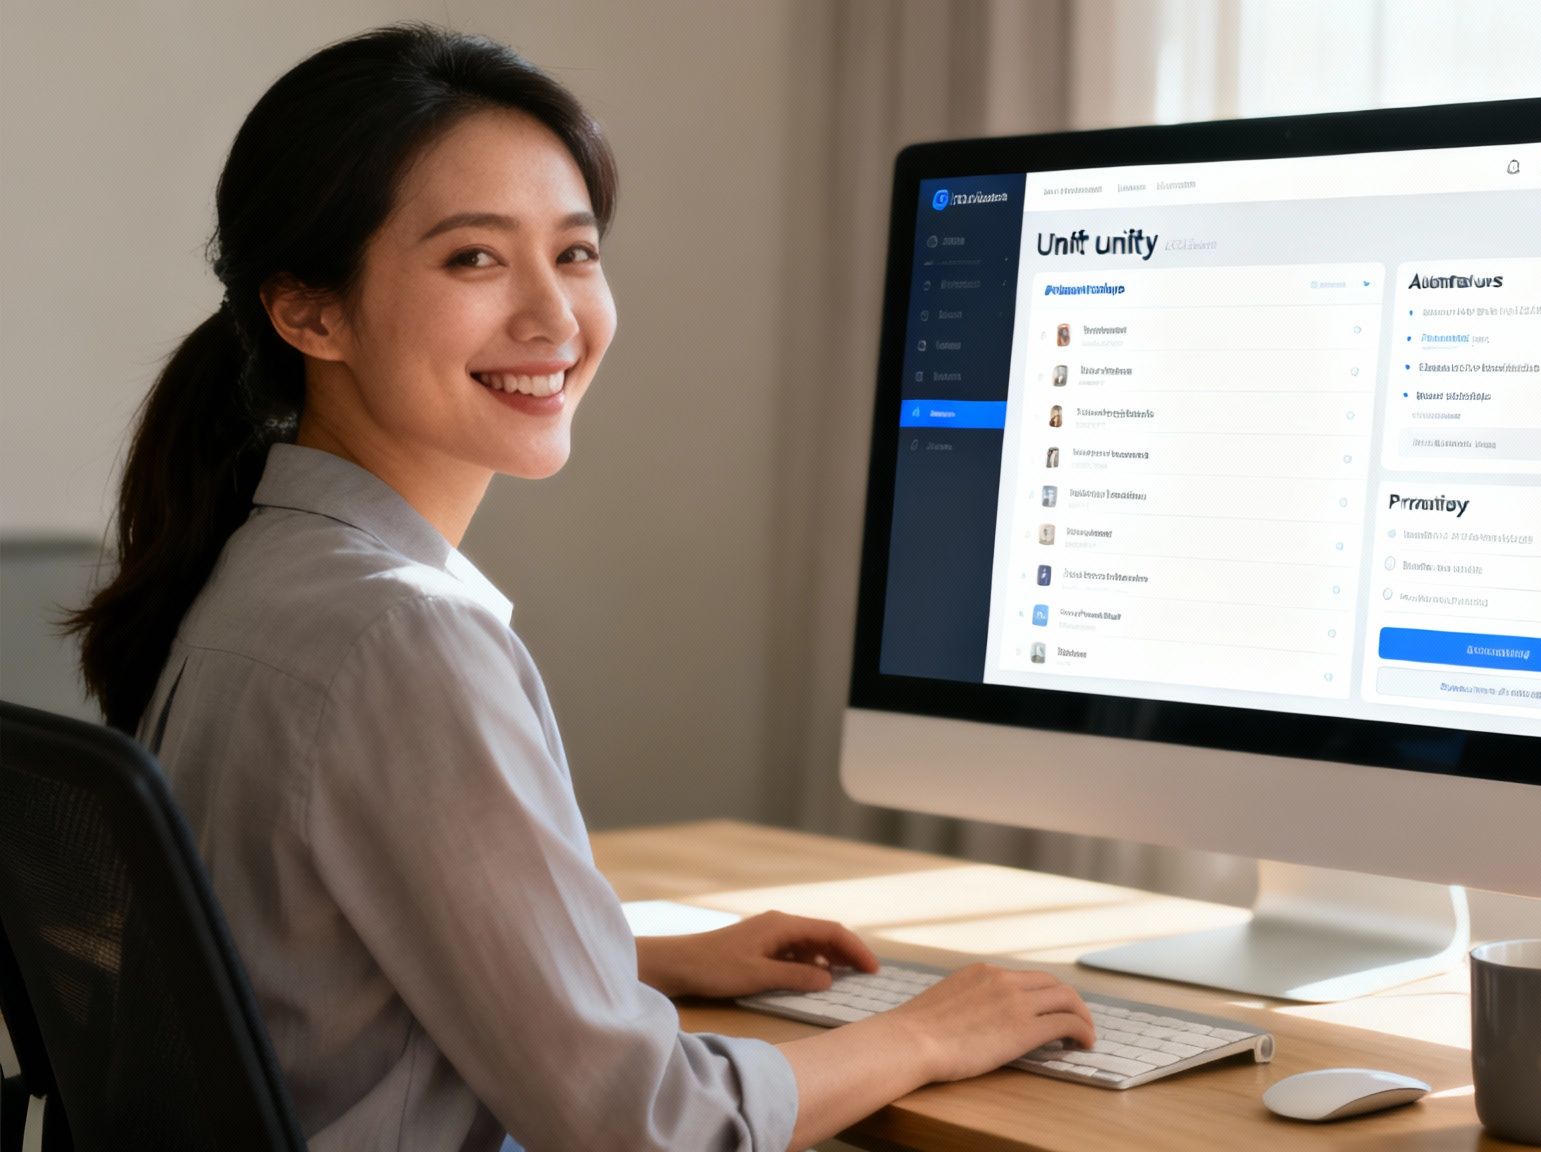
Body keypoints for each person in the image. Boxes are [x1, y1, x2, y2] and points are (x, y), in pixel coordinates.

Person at [66, 24, 1092, 1152]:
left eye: (574, 252)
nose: (553, 320)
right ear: (310, 312)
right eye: (473, 258)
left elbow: (296, 956)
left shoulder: (267, 571)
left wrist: (622, 955)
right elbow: (646, 1128)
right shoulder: (401, 635)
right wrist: (927, 1034)